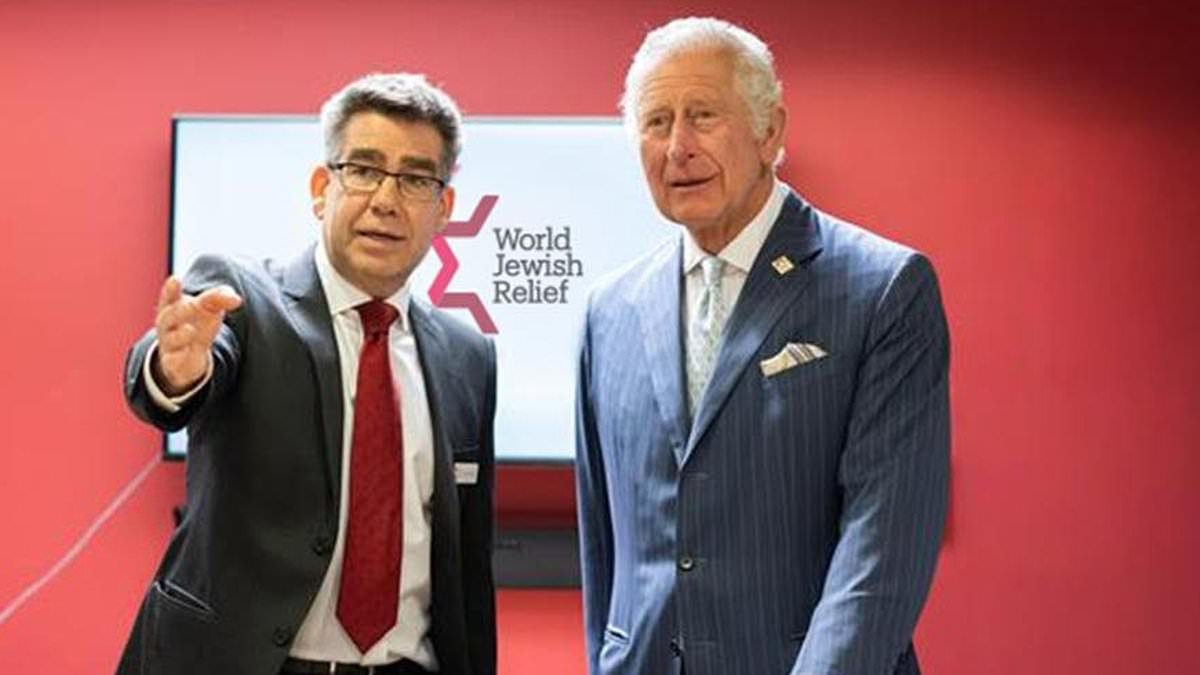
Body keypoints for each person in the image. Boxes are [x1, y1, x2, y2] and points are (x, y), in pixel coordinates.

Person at [575, 17, 950, 675]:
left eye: (703, 115)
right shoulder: (609, 311)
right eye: (656, 122)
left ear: (769, 131)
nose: (678, 146)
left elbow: (881, 549)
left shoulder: (883, 288)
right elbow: (603, 549)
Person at [118, 73, 496, 675]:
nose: (386, 200)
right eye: (363, 170)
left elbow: (467, 561)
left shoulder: (468, 355)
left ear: (443, 209)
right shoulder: (243, 297)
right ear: (322, 189)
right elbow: (172, 383)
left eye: (416, 179)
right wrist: (175, 371)